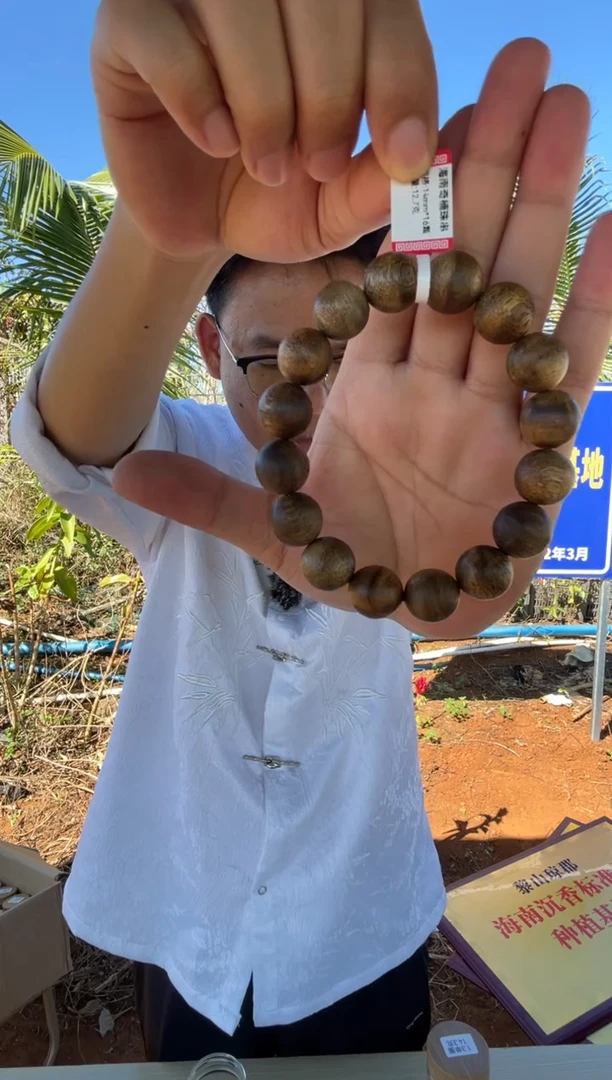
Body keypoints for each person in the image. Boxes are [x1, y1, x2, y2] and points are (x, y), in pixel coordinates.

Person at [11, 0, 612, 1063]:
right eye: (264, 358)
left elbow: (452, 614)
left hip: (360, 925)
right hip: (185, 920)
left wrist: (466, 586)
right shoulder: (188, 454)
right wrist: (167, 229)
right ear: (206, 343)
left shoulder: (428, 478)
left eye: (332, 346)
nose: (300, 394)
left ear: (387, 330)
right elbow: (73, 438)